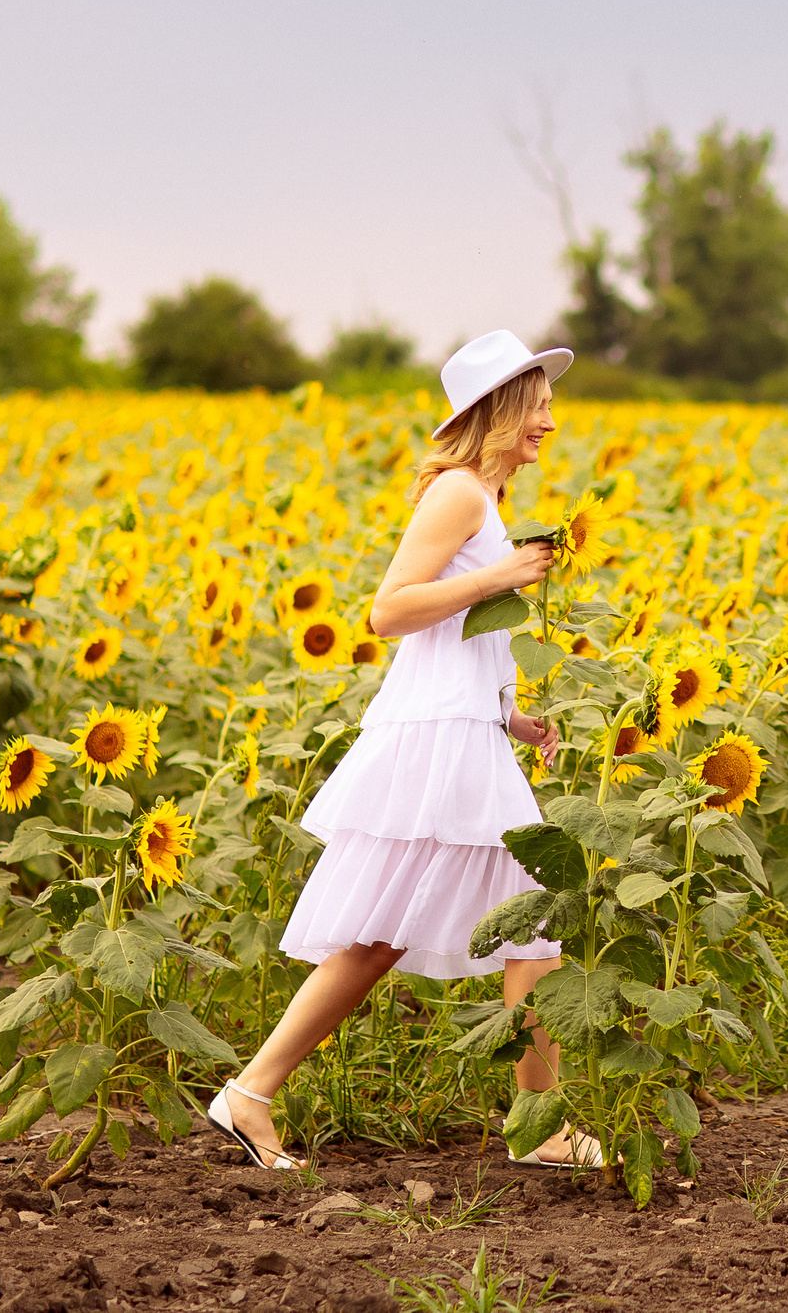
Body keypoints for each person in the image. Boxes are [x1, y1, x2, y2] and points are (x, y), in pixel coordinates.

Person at [205, 330, 601, 1170]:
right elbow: (389, 610)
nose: (550, 425)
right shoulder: (459, 493)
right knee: (514, 922)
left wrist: (513, 714)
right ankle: (543, 1128)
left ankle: (252, 1093)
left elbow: (456, 641)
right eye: (539, 407)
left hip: (460, 729)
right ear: (499, 410)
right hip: (432, 740)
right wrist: (499, 578)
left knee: (421, 934)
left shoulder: (483, 502)